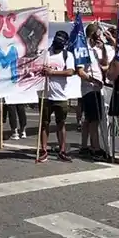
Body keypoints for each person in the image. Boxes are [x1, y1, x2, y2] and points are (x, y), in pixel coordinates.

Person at [38, 31, 75, 163]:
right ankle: (43, 150)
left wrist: (52, 72)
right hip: (45, 95)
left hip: (61, 95)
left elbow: (70, 71)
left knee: (61, 124)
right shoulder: (45, 54)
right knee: (44, 124)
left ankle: (62, 150)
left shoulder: (67, 55)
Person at [76, 23, 111, 161]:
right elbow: (80, 71)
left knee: (89, 119)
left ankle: (85, 146)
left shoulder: (96, 49)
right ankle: (95, 148)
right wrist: (93, 80)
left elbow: (104, 64)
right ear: (93, 34)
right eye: (98, 34)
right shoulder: (84, 50)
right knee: (94, 119)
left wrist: (103, 50)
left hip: (97, 88)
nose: (100, 37)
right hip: (90, 88)